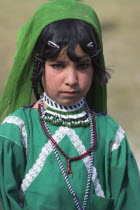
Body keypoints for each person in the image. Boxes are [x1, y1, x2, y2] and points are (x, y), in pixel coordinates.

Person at [0, 0, 140, 209]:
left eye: (83, 66)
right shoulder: (17, 132)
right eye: (58, 65)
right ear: (39, 66)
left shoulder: (110, 135)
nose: (72, 79)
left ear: (95, 67)